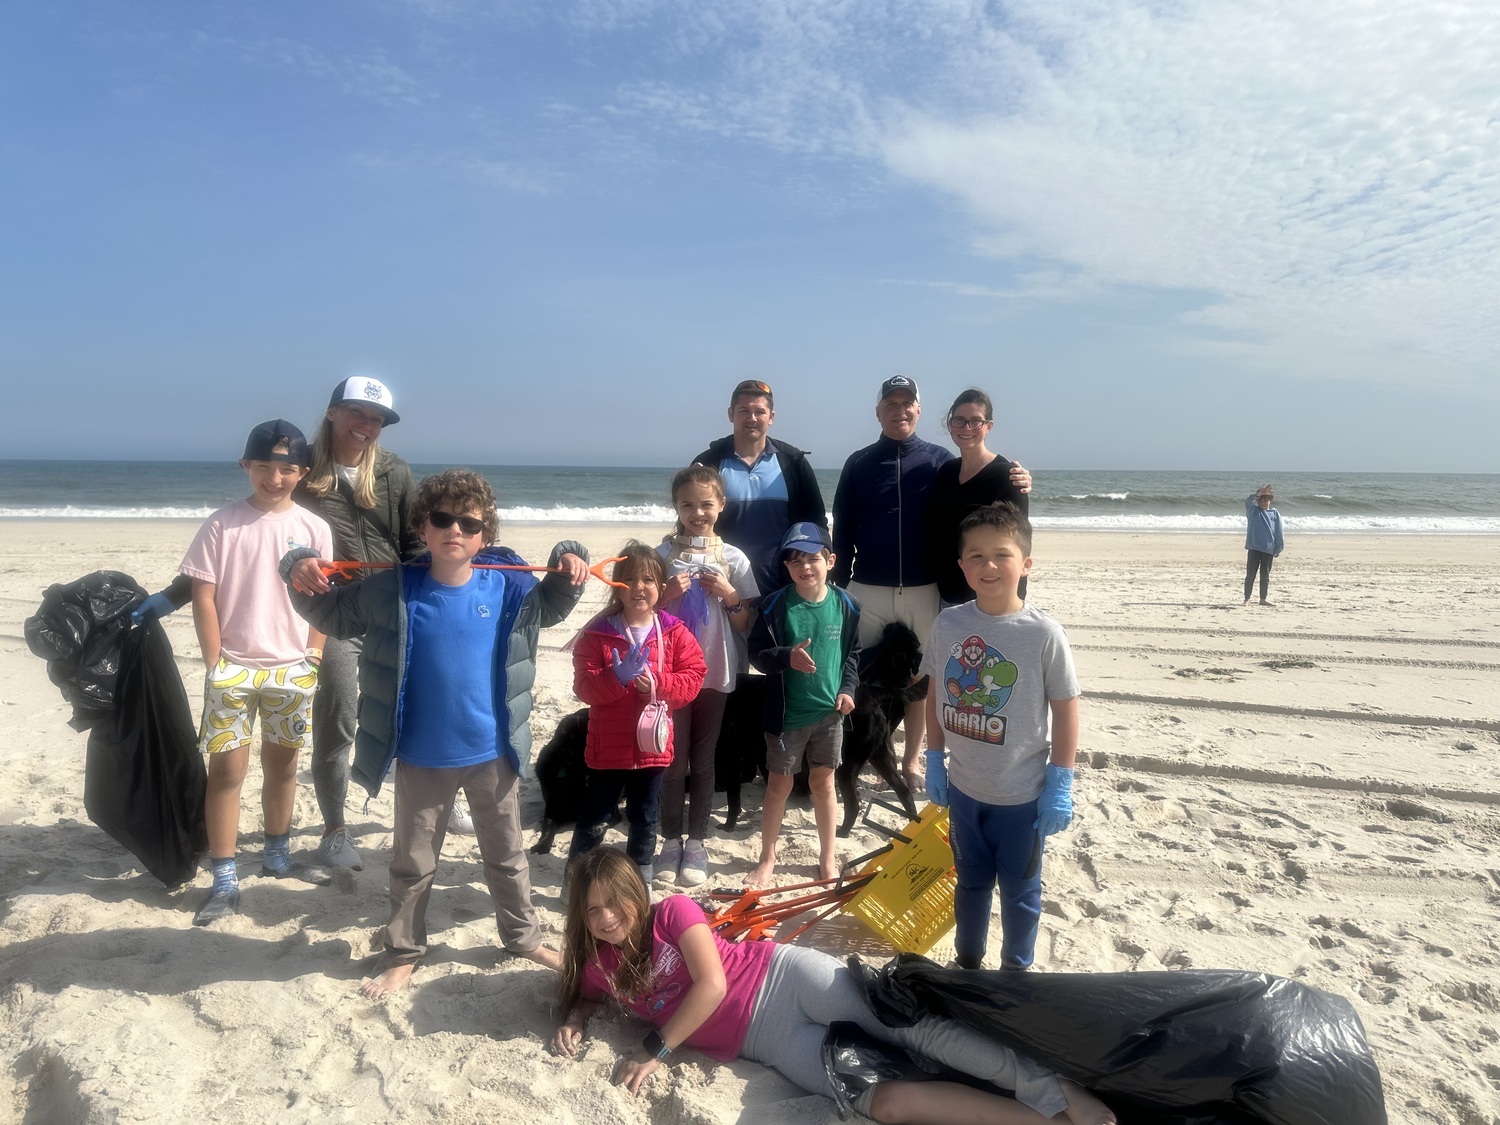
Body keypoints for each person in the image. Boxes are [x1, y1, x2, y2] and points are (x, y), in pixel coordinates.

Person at [282, 468, 588, 994]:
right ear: (422, 528)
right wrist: (295, 568)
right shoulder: (390, 590)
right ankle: (402, 952)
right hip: (422, 757)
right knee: (412, 862)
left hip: (493, 752)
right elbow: (327, 611)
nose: (456, 530)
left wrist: (571, 555)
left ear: (485, 537)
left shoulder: (509, 587)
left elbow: (554, 604)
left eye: (470, 524)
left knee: (507, 855)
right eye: (443, 519)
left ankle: (522, 938)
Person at [550, 847, 1116, 1125]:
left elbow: (713, 986)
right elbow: (583, 989)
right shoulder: (601, 965)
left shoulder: (672, 913)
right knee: (887, 1104)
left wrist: (655, 1050)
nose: (606, 917)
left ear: (636, 893)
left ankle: (1054, 1090)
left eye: (614, 901)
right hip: (769, 1045)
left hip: (786, 978)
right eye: (592, 910)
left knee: (916, 1034)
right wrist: (575, 1017)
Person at [179, 419, 335, 926]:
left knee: (283, 766)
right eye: (264, 466)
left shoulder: (315, 529)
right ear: (246, 466)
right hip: (234, 669)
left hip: (292, 667)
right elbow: (203, 596)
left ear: (303, 472)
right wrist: (215, 661)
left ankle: (276, 853)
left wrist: (313, 656)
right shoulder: (222, 524)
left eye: (287, 468)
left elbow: (325, 600)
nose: (274, 477)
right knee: (226, 771)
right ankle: (224, 874)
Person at [282, 376, 435, 872]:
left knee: (419, 713)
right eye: (356, 414)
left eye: (376, 419)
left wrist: (426, 599)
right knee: (339, 719)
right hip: (337, 616)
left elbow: (414, 546)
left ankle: (442, 800)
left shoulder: (393, 471)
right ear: (332, 413)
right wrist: (296, 560)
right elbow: (277, 533)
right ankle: (333, 830)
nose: (366, 426)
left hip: (394, 609)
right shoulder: (301, 470)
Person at [923, 502, 1080, 971]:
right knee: (969, 883)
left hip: (1022, 797)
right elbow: (935, 693)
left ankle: (1016, 971)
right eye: (975, 556)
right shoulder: (948, 623)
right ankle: (968, 963)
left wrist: (1061, 782)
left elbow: (1066, 708)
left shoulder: (1043, 633)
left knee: (1020, 891)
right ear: (961, 567)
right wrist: (933, 757)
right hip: (966, 791)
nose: (988, 565)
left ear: (1025, 564)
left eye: (1001, 554)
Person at [830, 375, 949, 788]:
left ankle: (912, 761)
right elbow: (842, 530)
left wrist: (1014, 479)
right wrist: (837, 588)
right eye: (891, 403)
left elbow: (973, 502)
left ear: (918, 409)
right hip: (868, 588)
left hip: (924, 589)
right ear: (878, 411)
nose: (900, 410)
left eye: (907, 403)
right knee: (858, 678)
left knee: (921, 680)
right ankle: (861, 753)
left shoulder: (939, 460)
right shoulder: (859, 463)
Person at [568, 542, 707, 885]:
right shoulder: (597, 634)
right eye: (629, 579)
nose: (639, 587)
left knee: (645, 819)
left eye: (648, 580)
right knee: (595, 818)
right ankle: (575, 883)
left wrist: (657, 683)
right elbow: (584, 688)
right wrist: (615, 678)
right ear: (617, 586)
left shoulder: (674, 632)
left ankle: (639, 881)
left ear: (662, 589)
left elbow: (694, 677)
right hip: (607, 749)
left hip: (652, 748)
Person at [654, 466, 758, 887]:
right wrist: (667, 594)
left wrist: (730, 595)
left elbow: (744, 623)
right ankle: (670, 840)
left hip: (715, 669)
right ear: (676, 507)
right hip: (671, 672)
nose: (698, 512)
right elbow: (644, 616)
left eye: (706, 504)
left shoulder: (734, 558)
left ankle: (697, 841)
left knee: (704, 758)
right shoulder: (661, 555)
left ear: (721, 506)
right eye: (688, 504)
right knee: (672, 761)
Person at [745, 522, 859, 887]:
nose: (804, 567)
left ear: (831, 560)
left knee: (824, 783)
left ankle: (827, 858)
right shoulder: (775, 605)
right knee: (779, 785)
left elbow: (852, 655)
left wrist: (849, 689)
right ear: (787, 567)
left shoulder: (847, 604)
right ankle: (767, 857)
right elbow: (757, 654)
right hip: (787, 716)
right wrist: (785, 657)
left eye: (812, 558)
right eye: (795, 561)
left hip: (829, 714)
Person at [692, 379, 826, 597]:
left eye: (759, 411)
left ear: (771, 417)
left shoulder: (793, 463)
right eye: (744, 410)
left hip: (782, 590)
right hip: (721, 589)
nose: (752, 418)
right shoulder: (709, 463)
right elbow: (690, 523)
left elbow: (816, 525)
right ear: (730, 414)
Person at [927, 388, 1034, 607]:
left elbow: (1018, 545)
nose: (966, 428)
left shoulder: (1008, 476)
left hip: (989, 599)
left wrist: (1014, 602)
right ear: (950, 424)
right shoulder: (946, 472)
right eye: (959, 420)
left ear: (988, 426)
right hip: (948, 595)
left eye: (975, 421)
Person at [1243, 485, 1284, 606]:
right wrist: (1258, 494)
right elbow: (1248, 501)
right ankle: (1246, 599)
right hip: (1254, 548)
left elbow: (1278, 531)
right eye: (1260, 500)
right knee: (1250, 574)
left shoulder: (1275, 513)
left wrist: (1278, 547)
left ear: (1270, 501)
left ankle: (1262, 599)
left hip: (1268, 549)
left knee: (1265, 576)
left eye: (1265, 500)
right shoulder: (1253, 511)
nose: (1263, 503)